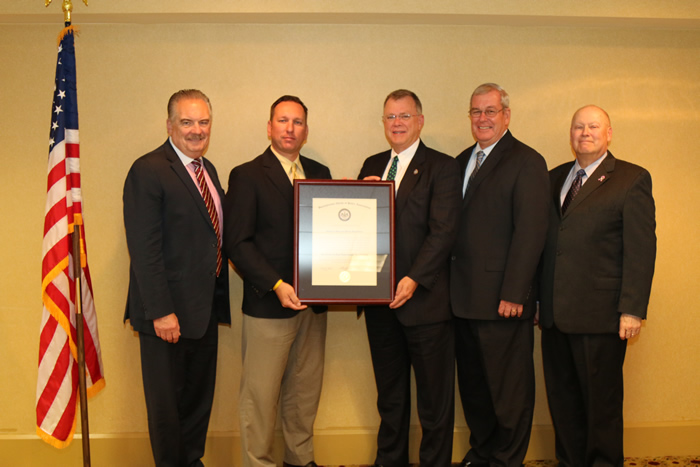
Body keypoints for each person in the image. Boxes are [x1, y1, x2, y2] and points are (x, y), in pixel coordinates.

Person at [538, 105, 656, 466]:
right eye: (578, 127)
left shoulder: (631, 178)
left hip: (602, 318)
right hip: (555, 316)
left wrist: (632, 309)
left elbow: (641, 250)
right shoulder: (554, 177)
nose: (584, 133)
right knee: (564, 403)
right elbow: (546, 244)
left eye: (593, 126)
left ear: (609, 133)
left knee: (600, 408)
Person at [123, 89, 231, 467]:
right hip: (167, 317)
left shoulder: (208, 170)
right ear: (169, 125)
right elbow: (144, 249)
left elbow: (217, 231)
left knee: (197, 403)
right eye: (187, 122)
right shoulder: (149, 169)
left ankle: (190, 460)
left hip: (203, 312)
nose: (196, 130)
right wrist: (162, 311)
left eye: (203, 122)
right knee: (167, 408)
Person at [224, 95, 331, 467]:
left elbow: (334, 235)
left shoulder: (320, 172)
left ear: (306, 130)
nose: (290, 128)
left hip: (314, 308)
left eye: (298, 122)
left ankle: (300, 459)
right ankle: (259, 463)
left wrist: (370, 199)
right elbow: (237, 242)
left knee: (304, 394)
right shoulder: (247, 175)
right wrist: (276, 284)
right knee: (260, 397)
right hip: (269, 305)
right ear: (269, 127)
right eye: (283, 121)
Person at [358, 89, 461, 467]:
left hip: (425, 304)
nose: (397, 123)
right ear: (383, 124)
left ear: (420, 121)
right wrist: (360, 200)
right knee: (390, 397)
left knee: (434, 402)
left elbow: (444, 231)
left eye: (404, 116)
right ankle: (390, 460)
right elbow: (359, 232)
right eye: (390, 117)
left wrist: (414, 278)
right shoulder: (372, 164)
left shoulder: (443, 167)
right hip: (380, 305)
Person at [450, 83, 550, 466]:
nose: (483, 118)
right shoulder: (460, 160)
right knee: (475, 389)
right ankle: (484, 451)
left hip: (503, 301)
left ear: (506, 115)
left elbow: (531, 231)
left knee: (509, 392)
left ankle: (508, 459)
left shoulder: (527, 160)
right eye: (476, 111)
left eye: (490, 111)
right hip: (462, 300)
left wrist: (515, 292)